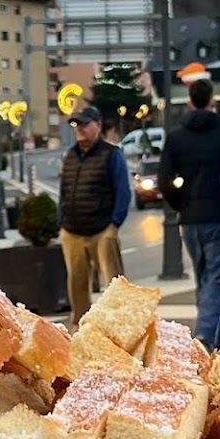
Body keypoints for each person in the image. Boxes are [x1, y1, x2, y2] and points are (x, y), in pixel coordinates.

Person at [157, 76, 220, 349]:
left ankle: (214, 340)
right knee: (216, 280)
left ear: (190, 102)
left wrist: (180, 203)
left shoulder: (176, 138)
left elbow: (165, 179)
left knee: (203, 278)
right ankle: (205, 337)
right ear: (212, 101)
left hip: (191, 217)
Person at [58, 105, 129, 326]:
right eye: (76, 125)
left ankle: (120, 326)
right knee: (76, 285)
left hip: (102, 230)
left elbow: (123, 192)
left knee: (114, 285)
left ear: (97, 126)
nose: (79, 129)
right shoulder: (70, 155)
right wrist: (61, 223)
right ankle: (80, 330)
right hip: (72, 231)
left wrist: (113, 226)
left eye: (84, 124)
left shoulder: (111, 155)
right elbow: (64, 191)